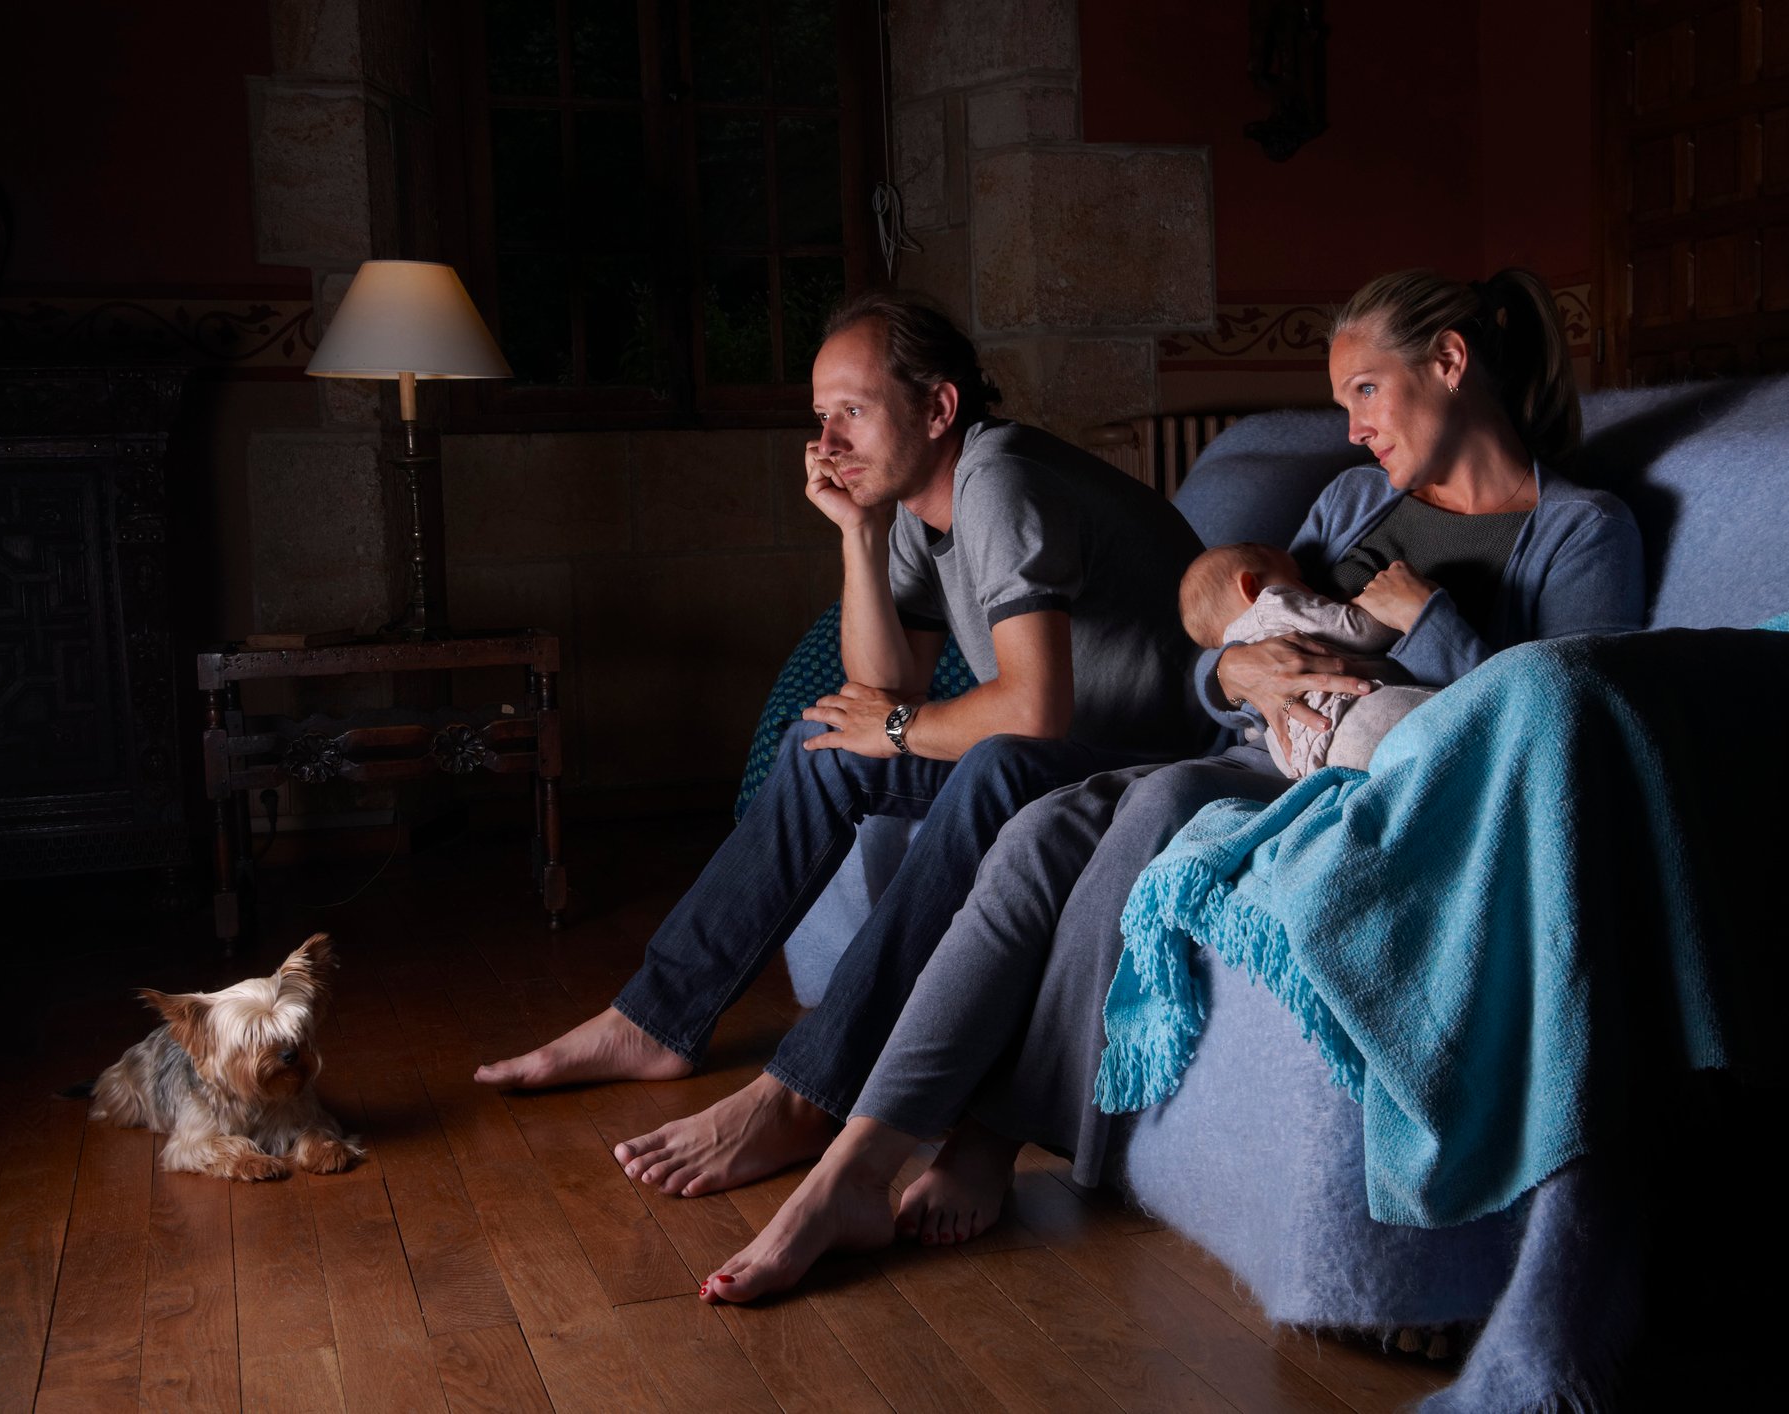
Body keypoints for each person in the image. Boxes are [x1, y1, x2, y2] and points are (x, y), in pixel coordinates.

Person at [697, 266, 1648, 1303]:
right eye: (1342, 405)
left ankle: (994, 1126)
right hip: (1246, 749)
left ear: (1450, 364)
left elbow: (1559, 729)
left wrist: (1430, 620)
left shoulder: (1581, 529)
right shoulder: (1348, 503)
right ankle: (854, 1166)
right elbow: (1224, 658)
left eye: (1364, 393)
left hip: (1376, 778)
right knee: (1039, 828)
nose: (1353, 428)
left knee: (1145, 808)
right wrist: (1235, 669)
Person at [473, 292, 1210, 1198]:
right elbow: (884, 693)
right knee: (824, 744)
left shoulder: (999, 479)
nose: (828, 441)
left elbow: (1034, 713)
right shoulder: (914, 506)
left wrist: (896, 727)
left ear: (939, 409)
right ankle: (657, 1019)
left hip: (1157, 771)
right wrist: (858, 538)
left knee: (989, 759)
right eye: (819, 417)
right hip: (1067, 758)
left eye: (852, 411)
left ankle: (810, 1090)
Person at [1178, 541, 1434, 777]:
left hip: (1305, 764)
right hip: (1354, 715)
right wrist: (1402, 610)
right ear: (1252, 587)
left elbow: (1254, 729)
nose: (1310, 590)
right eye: (1298, 579)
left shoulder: (1241, 647)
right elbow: (1358, 630)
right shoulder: (1272, 605)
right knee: (1448, 719)